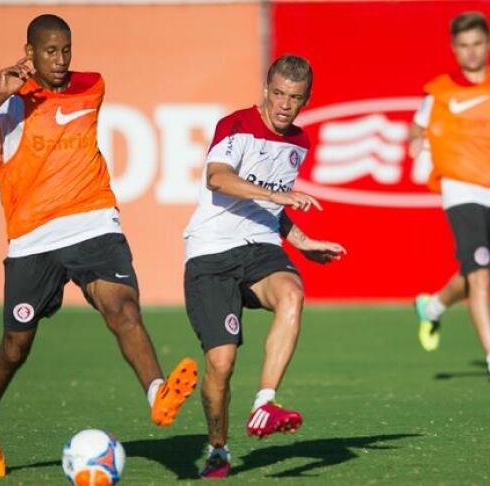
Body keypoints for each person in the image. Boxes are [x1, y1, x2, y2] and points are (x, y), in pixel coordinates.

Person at [0, 14, 197, 478]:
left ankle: (158, 392)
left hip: (92, 219)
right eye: (50, 51)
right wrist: (0, 94)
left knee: (123, 309)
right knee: (15, 346)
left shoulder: (92, 86)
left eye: (66, 49)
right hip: (33, 235)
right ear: (29, 52)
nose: (61, 60)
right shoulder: (13, 102)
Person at [182, 55, 346, 479]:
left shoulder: (299, 143)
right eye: (278, 94)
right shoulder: (235, 126)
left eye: (295, 97)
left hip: (258, 247)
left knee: (293, 292)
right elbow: (217, 179)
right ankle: (218, 449)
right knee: (221, 364)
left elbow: (274, 207)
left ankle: (264, 404)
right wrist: (279, 198)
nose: (284, 105)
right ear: (265, 89)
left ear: (306, 99)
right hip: (211, 254)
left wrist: (303, 242)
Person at [409, 11, 490, 386]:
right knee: (480, 271)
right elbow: (418, 124)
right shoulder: (439, 90)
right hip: (460, 188)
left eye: (477, 44)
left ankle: (433, 305)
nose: (471, 52)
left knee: (477, 275)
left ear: (489, 44)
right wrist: (414, 141)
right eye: (463, 45)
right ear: (454, 49)